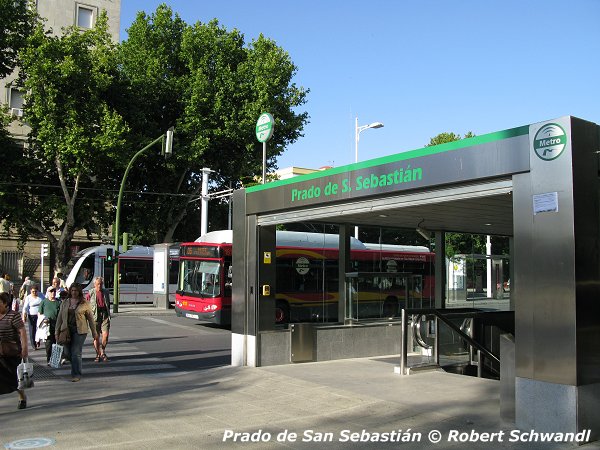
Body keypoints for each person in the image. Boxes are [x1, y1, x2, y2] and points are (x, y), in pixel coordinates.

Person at [55, 284, 97, 382]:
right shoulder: (65, 302)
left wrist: (94, 333)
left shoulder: (84, 303)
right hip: (66, 330)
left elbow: (91, 319)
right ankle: (76, 366)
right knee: (67, 352)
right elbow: (59, 318)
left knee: (76, 352)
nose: (74, 292)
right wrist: (56, 332)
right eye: (72, 290)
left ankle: (76, 374)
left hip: (80, 330)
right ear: (70, 291)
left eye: (76, 290)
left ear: (79, 292)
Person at [0, 292, 29, 409]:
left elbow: (22, 332)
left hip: (12, 352)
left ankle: (22, 396)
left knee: (15, 379)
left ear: (6, 304)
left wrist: (25, 348)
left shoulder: (14, 315)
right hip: (0, 353)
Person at [86, 277, 111, 362]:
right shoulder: (91, 293)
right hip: (94, 316)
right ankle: (97, 353)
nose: (99, 286)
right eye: (97, 284)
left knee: (106, 335)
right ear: (94, 284)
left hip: (104, 315)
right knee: (96, 337)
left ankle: (103, 351)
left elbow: (108, 304)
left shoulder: (106, 292)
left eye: (101, 284)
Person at [38, 287, 61, 365]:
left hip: (57, 326)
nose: (53, 293)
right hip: (47, 327)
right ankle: (49, 359)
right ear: (47, 293)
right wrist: (43, 320)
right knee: (48, 344)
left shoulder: (58, 302)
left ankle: (55, 360)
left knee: (56, 343)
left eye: (54, 291)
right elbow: (40, 314)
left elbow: (61, 314)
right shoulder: (44, 302)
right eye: (51, 291)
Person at [22, 285, 44, 350]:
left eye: (35, 291)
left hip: (40, 315)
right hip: (31, 315)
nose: (34, 293)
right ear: (30, 291)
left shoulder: (41, 295)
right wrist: (24, 315)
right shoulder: (28, 298)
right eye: (33, 292)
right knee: (32, 330)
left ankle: (38, 340)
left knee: (40, 329)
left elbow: (45, 302)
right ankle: (33, 344)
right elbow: (25, 307)